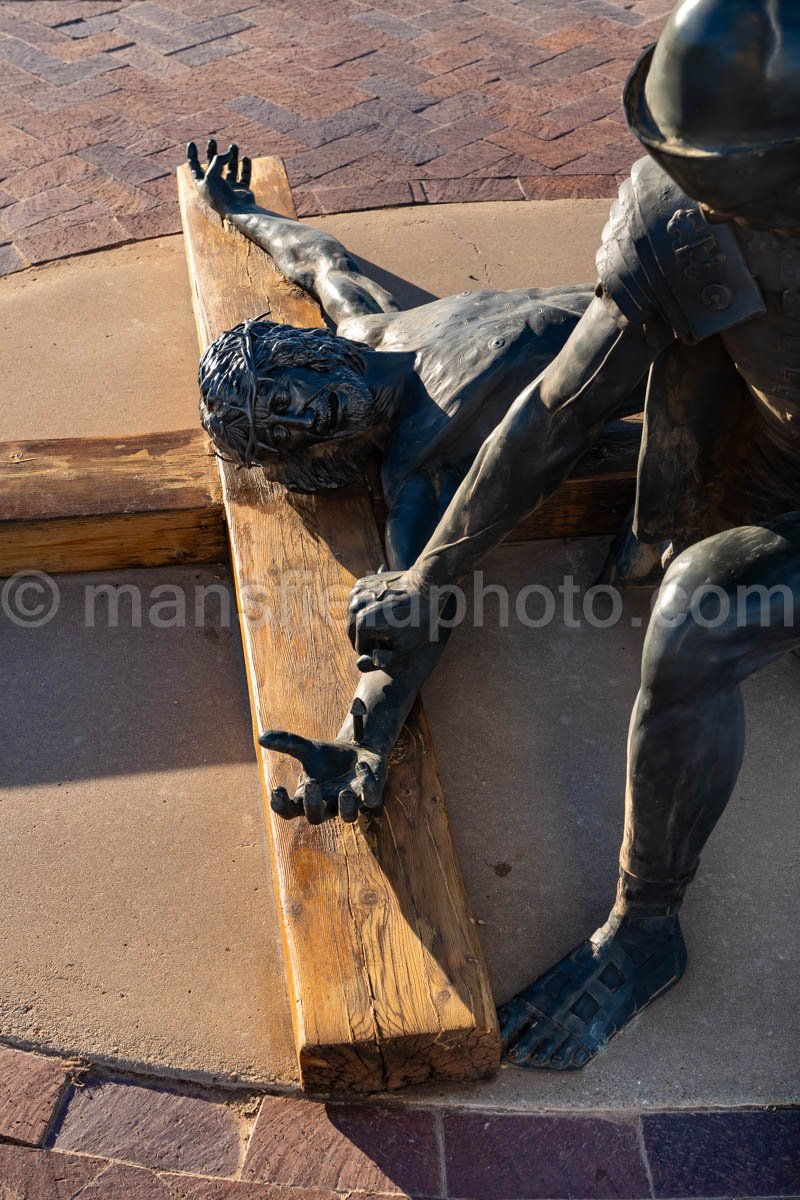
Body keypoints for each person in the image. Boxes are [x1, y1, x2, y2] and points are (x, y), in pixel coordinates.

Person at [343, 0, 800, 1069]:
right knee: (698, 608)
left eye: (735, 192)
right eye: (689, 175)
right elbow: (560, 405)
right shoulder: (684, 217)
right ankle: (645, 930)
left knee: (702, 610)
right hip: (777, 485)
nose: (700, 209)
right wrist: (428, 577)